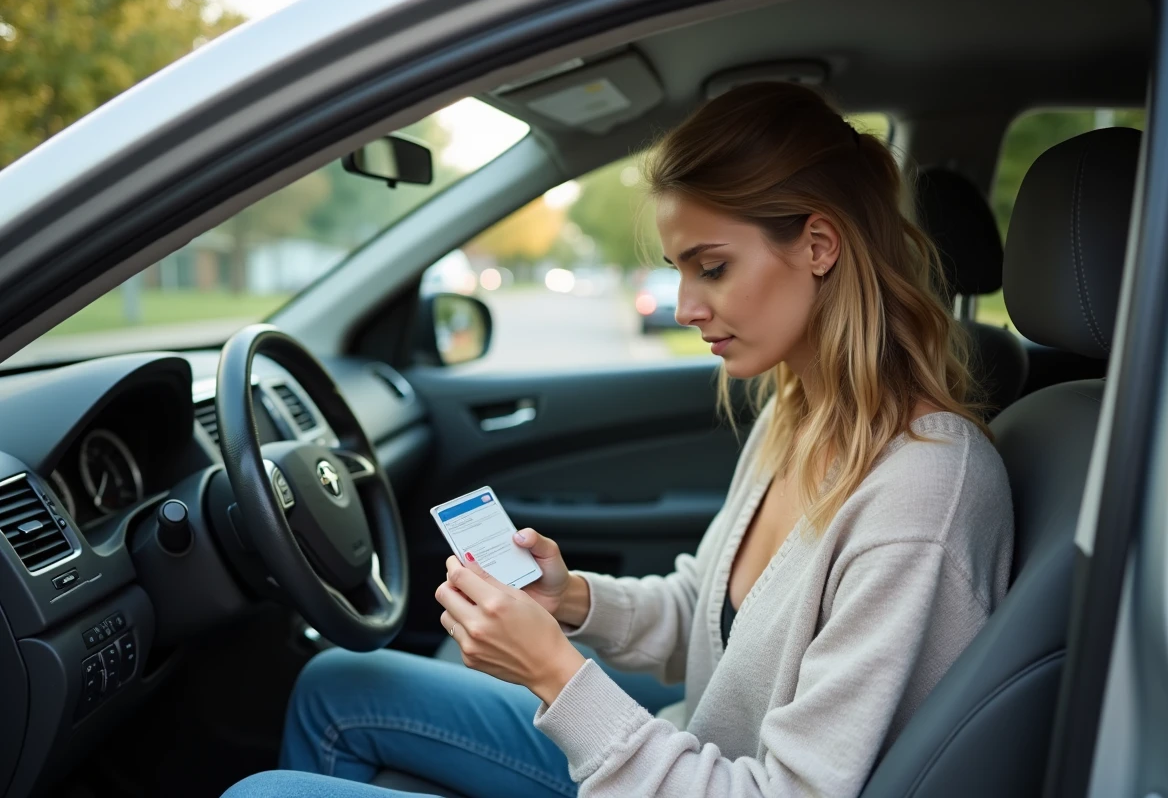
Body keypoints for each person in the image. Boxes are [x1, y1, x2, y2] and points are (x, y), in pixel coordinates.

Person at [222, 82, 1014, 798]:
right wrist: (568, 599)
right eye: (677, 269)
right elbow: (707, 618)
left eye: (711, 267)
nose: (683, 305)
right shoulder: (798, 412)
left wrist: (555, 673)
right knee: (337, 686)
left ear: (817, 245)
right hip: (686, 756)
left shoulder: (921, 497)